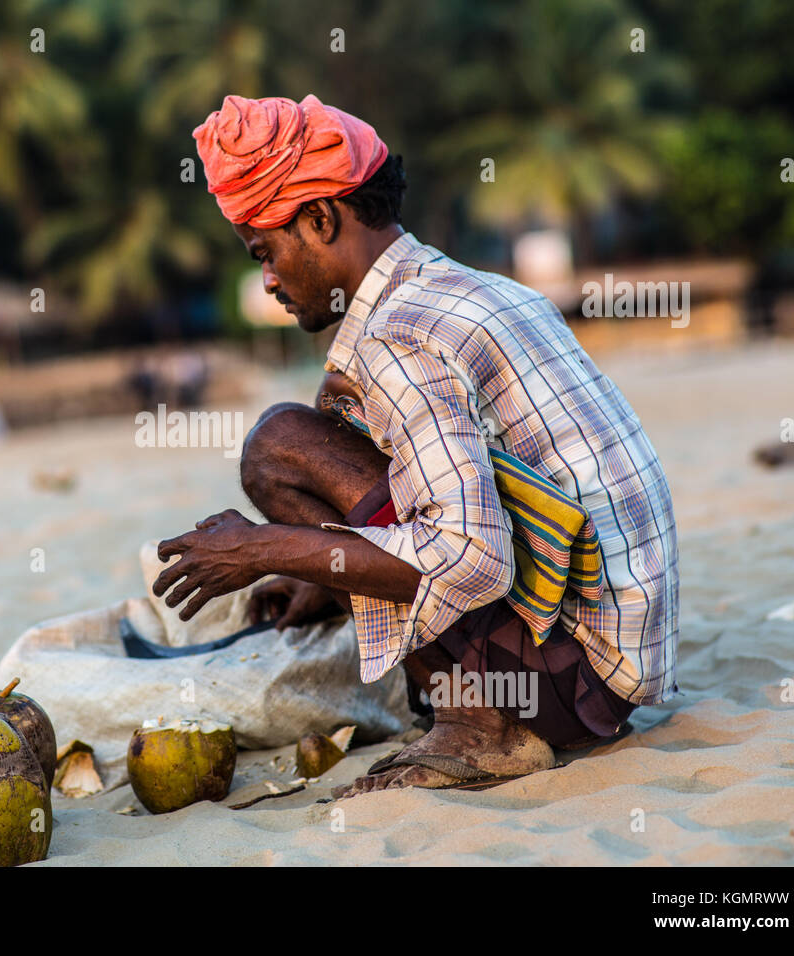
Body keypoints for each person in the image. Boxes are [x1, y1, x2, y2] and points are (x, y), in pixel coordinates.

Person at [154, 94, 679, 795]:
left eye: (265, 253)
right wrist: (321, 570)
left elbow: (473, 557)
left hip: (568, 684)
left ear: (319, 218)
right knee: (315, 431)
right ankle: (481, 705)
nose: (270, 281)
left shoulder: (398, 338)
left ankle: (482, 728)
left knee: (280, 446)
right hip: (618, 662)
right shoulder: (475, 288)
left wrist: (261, 548)